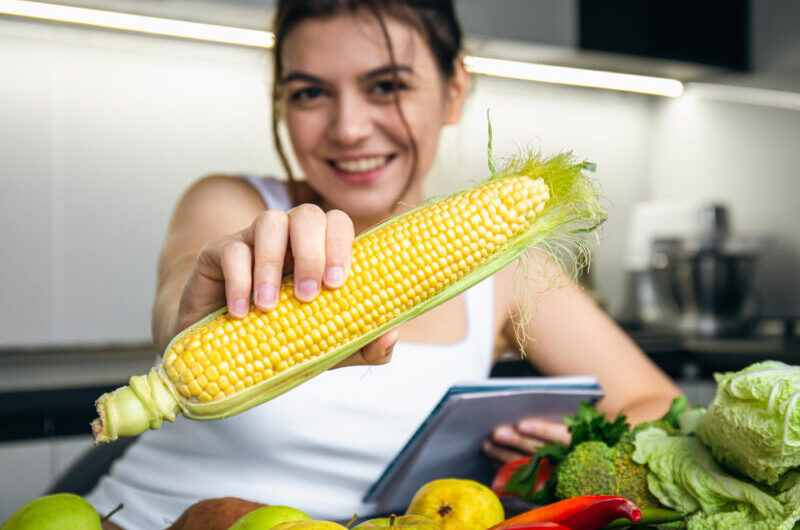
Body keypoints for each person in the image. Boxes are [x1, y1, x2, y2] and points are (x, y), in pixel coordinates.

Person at [86, 0, 681, 528]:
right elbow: (179, 294)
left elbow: (656, 402)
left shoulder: (503, 272)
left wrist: (572, 447)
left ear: (453, 91)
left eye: (386, 86)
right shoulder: (237, 205)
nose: (348, 128)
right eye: (310, 92)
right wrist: (189, 318)